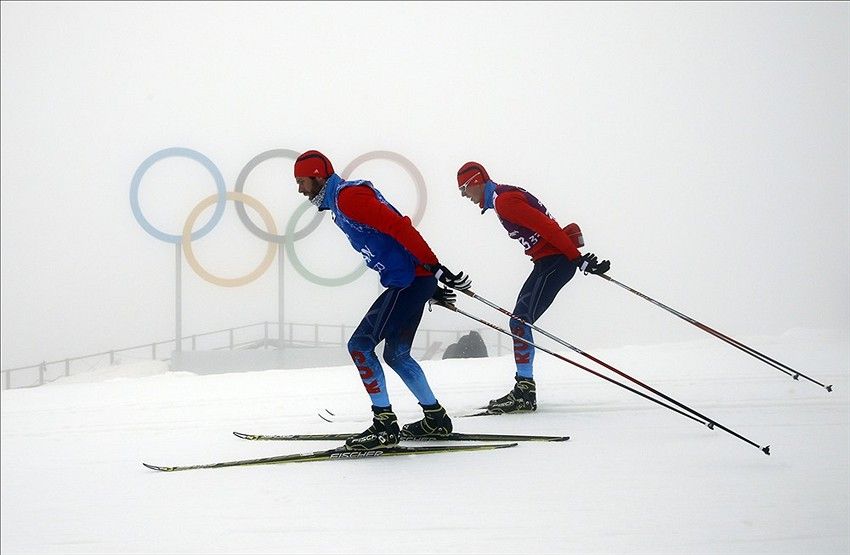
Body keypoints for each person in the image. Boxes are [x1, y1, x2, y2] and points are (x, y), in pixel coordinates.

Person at [294, 150, 471, 450]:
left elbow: (398, 226)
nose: (299, 190)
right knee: (397, 354)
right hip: (413, 280)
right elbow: (390, 241)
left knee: (360, 346)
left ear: (317, 176)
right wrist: (429, 283)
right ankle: (436, 419)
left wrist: (434, 268)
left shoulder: (349, 198)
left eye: (301, 182)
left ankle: (384, 425)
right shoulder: (339, 203)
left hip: (408, 280)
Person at [454, 161, 611, 414]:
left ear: (475, 182)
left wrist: (576, 258)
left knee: (519, 321)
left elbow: (547, 227)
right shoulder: (501, 198)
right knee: (518, 322)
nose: (464, 196)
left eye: (464, 190)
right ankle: (524, 389)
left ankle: (525, 392)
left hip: (555, 262)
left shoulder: (504, 201)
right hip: (546, 262)